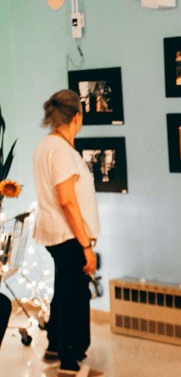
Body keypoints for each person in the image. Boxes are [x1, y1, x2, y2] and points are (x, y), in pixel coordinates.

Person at [32, 89, 99, 376]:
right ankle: (69, 357)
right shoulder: (61, 151)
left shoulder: (46, 145)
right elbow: (67, 200)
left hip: (54, 234)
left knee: (64, 289)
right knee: (74, 294)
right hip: (68, 235)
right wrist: (86, 246)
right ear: (76, 117)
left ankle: (55, 346)